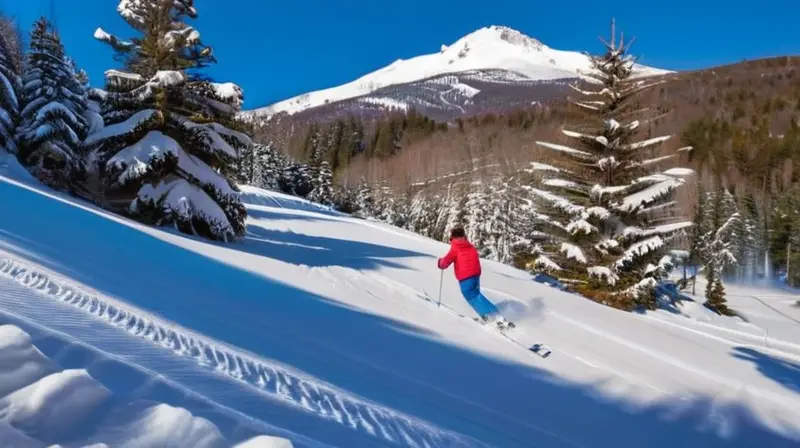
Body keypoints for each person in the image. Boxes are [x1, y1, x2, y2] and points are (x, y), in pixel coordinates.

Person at [437, 227, 512, 329]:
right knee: (476, 295)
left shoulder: (456, 247)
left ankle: (496, 317)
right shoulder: (469, 245)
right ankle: (488, 316)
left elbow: (446, 262)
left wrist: (440, 263)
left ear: (453, 236)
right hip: (475, 274)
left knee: (473, 296)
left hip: (465, 276)